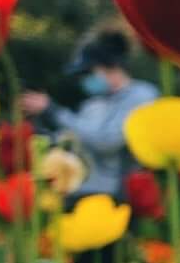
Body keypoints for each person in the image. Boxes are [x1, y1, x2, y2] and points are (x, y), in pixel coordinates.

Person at [21, 30, 160, 201]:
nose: (84, 80)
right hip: (79, 190)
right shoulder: (93, 103)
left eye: (88, 73)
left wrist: (53, 111)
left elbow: (106, 141)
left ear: (111, 67)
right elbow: (75, 140)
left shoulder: (142, 96)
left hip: (117, 194)